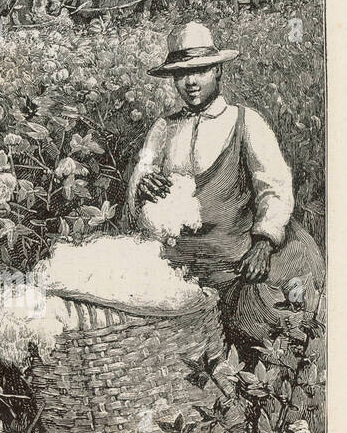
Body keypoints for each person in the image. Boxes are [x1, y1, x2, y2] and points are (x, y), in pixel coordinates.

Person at [127, 22, 324, 359]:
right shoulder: (164, 129)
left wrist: (263, 243)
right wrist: (141, 186)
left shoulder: (244, 122)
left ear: (217, 70)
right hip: (180, 270)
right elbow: (138, 184)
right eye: (181, 74)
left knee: (263, 330)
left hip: (236, 264)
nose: (190, 82)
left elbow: (274, 188)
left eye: (200, 70)